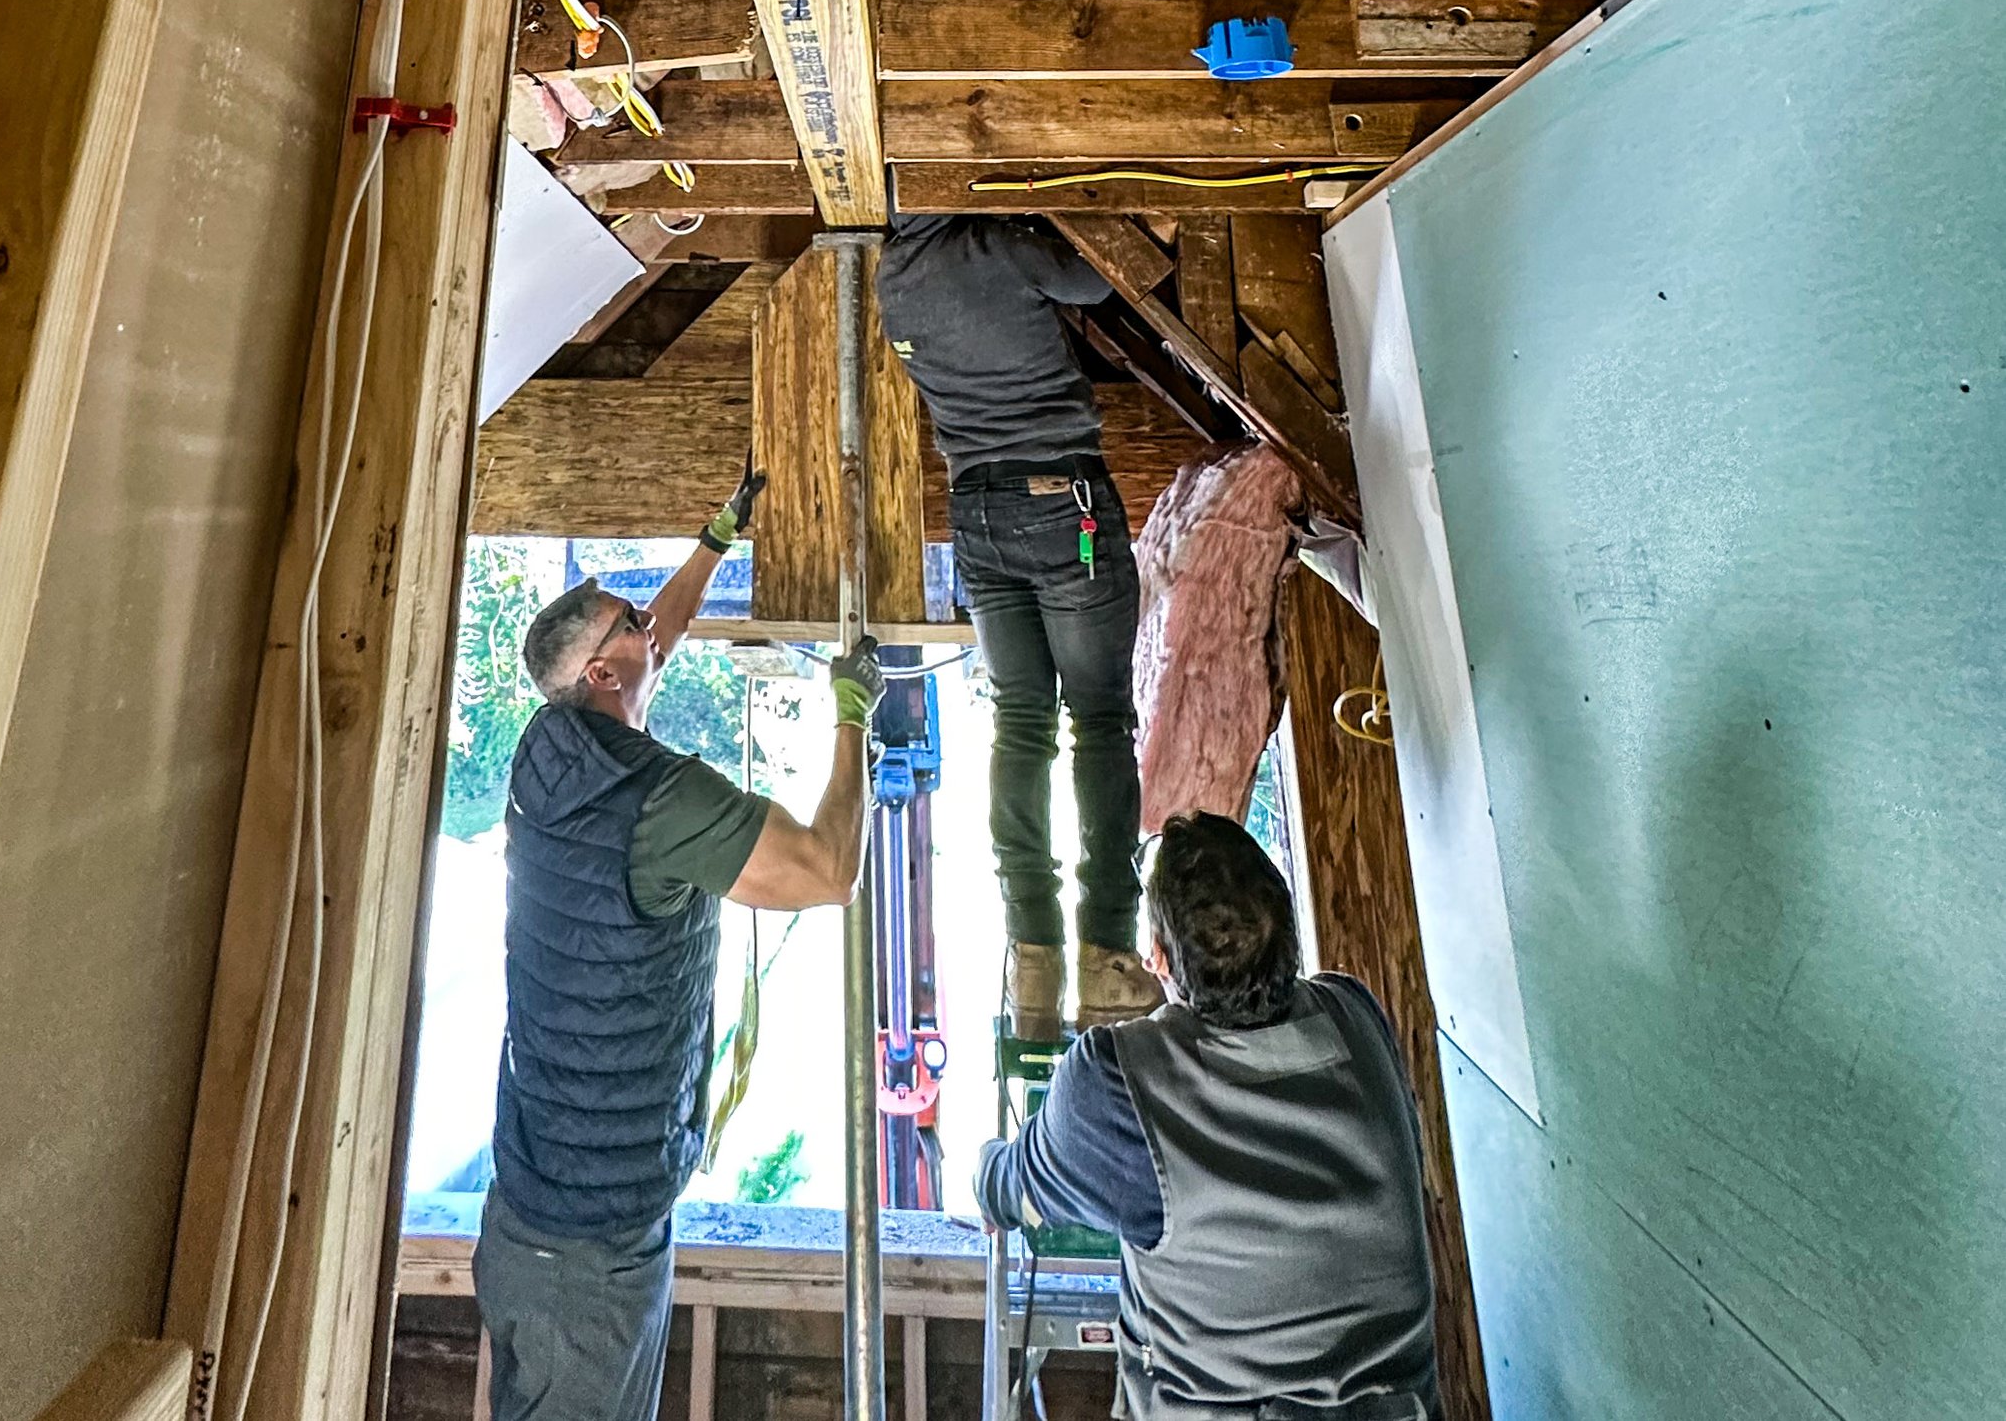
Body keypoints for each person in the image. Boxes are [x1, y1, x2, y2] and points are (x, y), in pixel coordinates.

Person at [477, 463, 884, 1421]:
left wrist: (718, 534)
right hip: (593, 1257)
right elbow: (830, 871)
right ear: (605, 675)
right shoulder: (659, 801)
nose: (651, 627)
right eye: (630, 624)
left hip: (530, 1215)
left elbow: (653, 638)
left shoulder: (547, 748)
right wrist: (853, 719)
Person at [977, 812, 1440, 1421]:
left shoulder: (1118, 1084)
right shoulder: (1356, 1017)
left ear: (1160, 961)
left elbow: (1012, 1187)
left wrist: (988, 1173)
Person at [875, 211, 1151, 1034]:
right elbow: (1098, 277)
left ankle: (1036, 958)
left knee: (1021, 724)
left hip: (978, 517)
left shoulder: (892, 276)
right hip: (1057, 499)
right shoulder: (994, 243)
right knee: (1098, 719)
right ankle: (1106, 956)